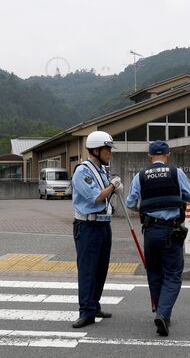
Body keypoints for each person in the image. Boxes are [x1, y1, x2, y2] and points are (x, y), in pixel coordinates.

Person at [126, 140, 190, 336]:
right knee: (173, 275)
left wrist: (146, 208)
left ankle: (160, 311)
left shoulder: (140, 176)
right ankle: (163, 314)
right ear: (168, 155)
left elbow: (130, 202)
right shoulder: (176, 173)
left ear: (149, 156)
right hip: (171, 232)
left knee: (154, 272)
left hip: (150, 232)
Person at [71, 130, 123, 328]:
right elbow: (95, 197)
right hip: (87, 226)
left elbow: (105, 195)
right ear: (95, 149)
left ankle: (94, 304)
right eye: (107, 148)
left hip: (103, 225)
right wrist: (112, 185)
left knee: (101, 268)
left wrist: (112, 186)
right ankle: (86, 312)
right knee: (87, 270)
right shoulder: (82, 171)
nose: (110, 152)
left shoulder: (101, 169)